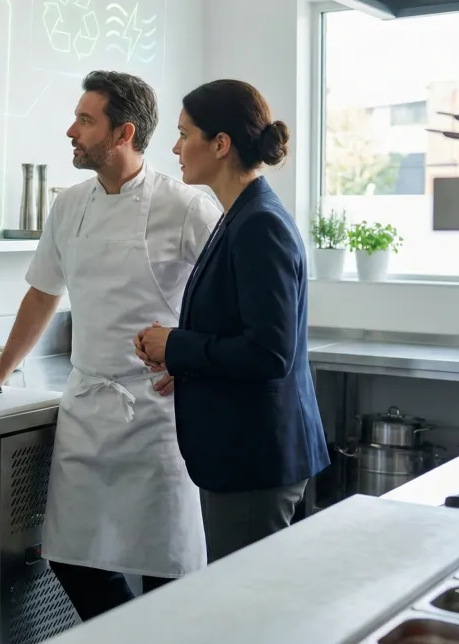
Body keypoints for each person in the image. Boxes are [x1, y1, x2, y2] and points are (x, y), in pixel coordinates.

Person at [0, 70, 222, 621]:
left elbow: (227, 292)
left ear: (123, 133)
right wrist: (0, 371)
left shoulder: (186, 206)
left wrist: (193, 358)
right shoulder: (69, 205)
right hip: (87, 410)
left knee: (169, 572)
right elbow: (43, 291)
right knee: (72, 558)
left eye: (85, 120)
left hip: (156, 416)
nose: (71, 130)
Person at [134, 79, 330, 564]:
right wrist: (184, 360)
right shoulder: (238, 215)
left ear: (220, 144)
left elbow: (268, 353)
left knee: (247, 619)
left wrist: (175, 346)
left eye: (184, 134)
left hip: (253, 461)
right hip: (247, 456)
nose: (176, 148)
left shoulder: (259, 223)